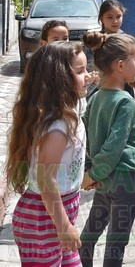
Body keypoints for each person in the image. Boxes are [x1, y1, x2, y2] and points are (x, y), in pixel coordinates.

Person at [6, 41, 91, 265]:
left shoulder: (68, 113)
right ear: (60, 79)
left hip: (59, 211)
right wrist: (63, 226)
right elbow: (46, 178)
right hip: (43, 219)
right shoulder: (57, 127)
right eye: (80, 71)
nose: (87, 76)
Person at [78, 32, 135, 267]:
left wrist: (90, 171)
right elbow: (113, 147)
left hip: (104, 180)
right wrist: (93, 173)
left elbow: (86, 138)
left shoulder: (96, 96)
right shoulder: (125, 102)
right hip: (125, 178)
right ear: (120, 65)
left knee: (90, 234)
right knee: (117, 243)